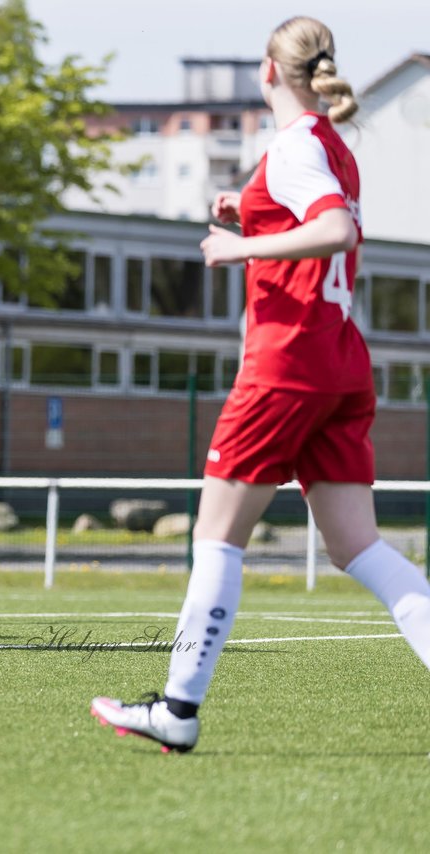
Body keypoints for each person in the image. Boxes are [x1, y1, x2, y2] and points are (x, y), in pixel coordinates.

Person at [90, 16, 430, 752]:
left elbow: (334, 230)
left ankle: (177, 709)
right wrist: (245, 211)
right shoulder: (333, 146)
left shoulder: (296, 143)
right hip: (340, 361)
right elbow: (317, 223)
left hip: (288, 363)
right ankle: (176, 708)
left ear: (268, 72)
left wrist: (240, 242)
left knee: (216, 537)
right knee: (359, 547)